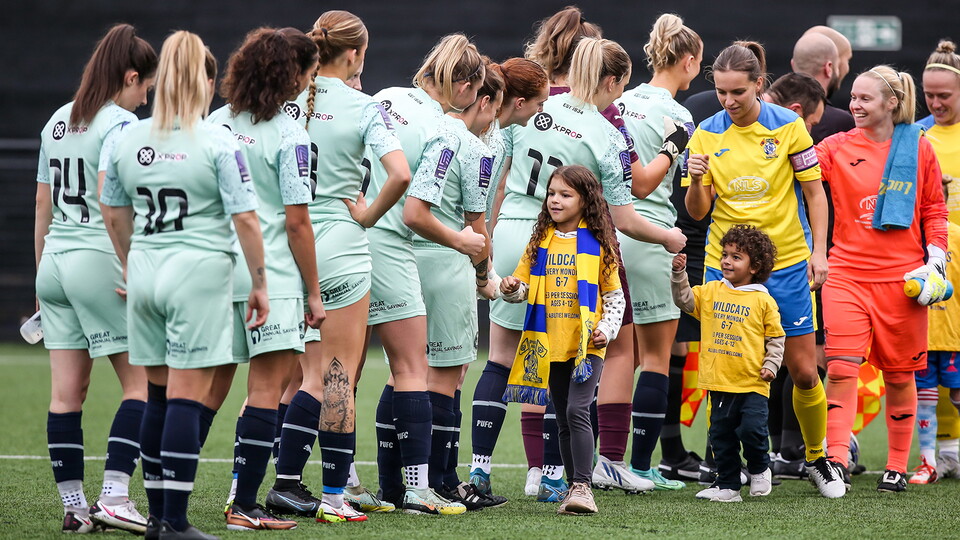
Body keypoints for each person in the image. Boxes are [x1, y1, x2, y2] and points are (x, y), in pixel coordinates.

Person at [101, 30, 268, 539]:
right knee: (184, 399)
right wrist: (260, 282)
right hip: (196, 274)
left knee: (155, 395)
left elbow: (111, 210)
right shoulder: (217, 140)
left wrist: (132, 261)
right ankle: (173, 522)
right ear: (202, 77)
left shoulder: (128, 136)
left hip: (146, 272)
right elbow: (246, 220)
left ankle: (156, 519)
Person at [263, 11, 410, 522]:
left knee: (284, 377)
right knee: (336, 377)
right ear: (355, 56)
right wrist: (368, 214)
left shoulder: (284, 101)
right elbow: (400, 174)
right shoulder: (364, 105)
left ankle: (249, 487)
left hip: (287, 247)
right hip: (343, 246)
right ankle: (329, 494)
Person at [683, 40, 842, 498]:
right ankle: (731, 471)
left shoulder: (790, 126)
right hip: (726, 269)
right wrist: (696, 178)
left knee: (805, 370)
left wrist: (819, 253)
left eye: (738, 92)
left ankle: (817, 458)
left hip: (789, 263)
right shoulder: (707, 133)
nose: (729, 102)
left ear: (759, 84)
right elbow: (698, 212)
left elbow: (815, 193)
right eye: (720, 92)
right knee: (726, 370)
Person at [34, 23, 156, 534]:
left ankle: (75, 508)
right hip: (97, 258)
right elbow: (119, 206)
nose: (146, 98)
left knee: (66, 395)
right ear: (129, 76)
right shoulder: (120, 126)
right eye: (145, 87)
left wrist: (43, 274)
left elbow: (41, 206)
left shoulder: (57, 121)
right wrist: (135, 267)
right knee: (142, 384)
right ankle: (114, 496)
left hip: (55, 264)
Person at [207, 27, 322, 530]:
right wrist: (314, 291)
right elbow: (296, 223)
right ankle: (245, 507)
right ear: (290, 73)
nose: (309, 80)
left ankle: (163, 496)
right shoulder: (291, 134)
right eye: (307, 71)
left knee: (204, 392)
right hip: (268, 276)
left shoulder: (212, 124)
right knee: (265, 390)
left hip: (211, 275)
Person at [365, 33, 484, 516]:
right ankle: (416, 489)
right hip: (395, 248)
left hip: (340, 241)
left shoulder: (382, 97)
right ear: (463, 84)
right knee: (411, 370)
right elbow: (415, 213)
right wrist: (463, 241)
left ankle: (336, 486)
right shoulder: (446, 129)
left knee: (328, 375)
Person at [817, 65, 949, 493]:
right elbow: (794, 172)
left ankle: (896, 466)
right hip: (846, 275)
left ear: (892, 103)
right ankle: (836, 458)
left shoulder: (919, 148)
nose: (854, 105)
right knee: (839, 367)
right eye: (852, 97)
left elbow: (933, 208)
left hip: (902, 282)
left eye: (865, 99)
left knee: (899, 375)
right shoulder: (835, 147)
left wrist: (937, 258)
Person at [403, 61, 505, 510]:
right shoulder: (466, 142)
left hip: (400, 255)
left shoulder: (396, 105)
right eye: (495, 109)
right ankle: (440, 482)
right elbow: (475, 225)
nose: (496, 123)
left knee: (404, 373)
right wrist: (486, 276)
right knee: (444, 376)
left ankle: (395, 484)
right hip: (446, 261)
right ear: (479, 97)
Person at [608, 13, 702, 490]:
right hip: (652, 234)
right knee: (657, 358)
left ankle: (604, 460)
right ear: (689, 62)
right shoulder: (680, 116)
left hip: (608, 233)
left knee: (613, 355)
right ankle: (642, 468)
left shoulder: (619, 101)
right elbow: (670, 187)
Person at [500, 165, 625, 515]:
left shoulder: (600, 243)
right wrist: (513, 288)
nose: (555, 200)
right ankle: (574, 487)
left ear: (585, 201)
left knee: (576, 408)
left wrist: (607, 329)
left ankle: (584, 486)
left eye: (565, 194)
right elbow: (522, 289)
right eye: (552, 193)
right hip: (549, 344)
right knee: (563, 417)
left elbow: (615, 298)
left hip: (588, 346)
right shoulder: (540, 240)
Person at [671, 225, 784, 502]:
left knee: (752, 430)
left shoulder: (763, 300)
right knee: (721, 437)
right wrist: (678, 274)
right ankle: (729, 486)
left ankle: (759, 468)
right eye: (725, 254)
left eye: (736, 257)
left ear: (755, 266)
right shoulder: (711, 290)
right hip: (718, 382)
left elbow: (776, 338)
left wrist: (771, 364)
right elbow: (684, 301)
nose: (726, 261)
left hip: (752, 383)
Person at [918, 40, 960, 478]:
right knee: (933, 354)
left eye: (944, 95)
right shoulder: (918, 135)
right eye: (930, 95)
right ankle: (940, 453)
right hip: (935, 260)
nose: (936, 103)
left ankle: (952, 449)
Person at [911, 177, 960, 484]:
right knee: (924, 398)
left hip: (954, 333)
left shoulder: (956, 236)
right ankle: (927, 463)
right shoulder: (906, 236)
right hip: (920, 334)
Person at [792, 30, 855, 144]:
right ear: (829, 68)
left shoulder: (767, 110)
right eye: (848, 60)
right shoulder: (843, 124)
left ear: (793, 63)